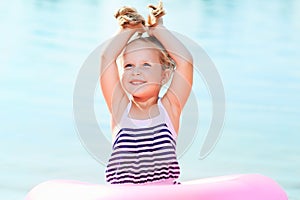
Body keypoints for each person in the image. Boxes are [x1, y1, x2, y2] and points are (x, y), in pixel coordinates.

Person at [100, 1, 193, 185]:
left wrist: (158, 29)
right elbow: (106, 59)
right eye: (129, 65)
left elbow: (185, 62)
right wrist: (127, 30)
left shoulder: (169, 109)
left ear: (164, 75)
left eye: (146, 65)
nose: (136, 71)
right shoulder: (120, 109)